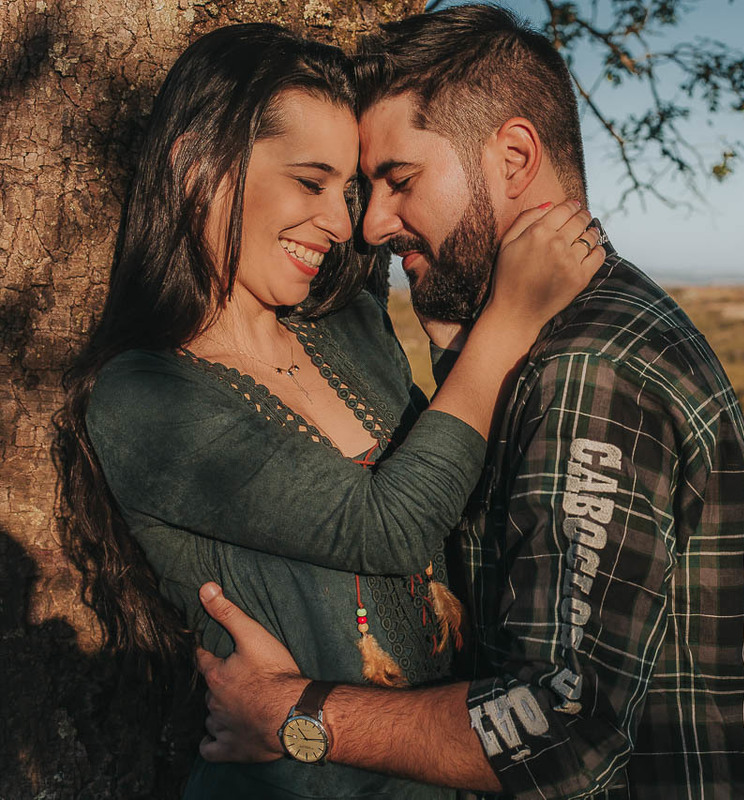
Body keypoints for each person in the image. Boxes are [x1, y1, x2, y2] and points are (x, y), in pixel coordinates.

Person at [197, 5, 744, 798]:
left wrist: (292, 715)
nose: (370, 226)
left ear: (513, 157)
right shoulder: (549, 340)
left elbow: (560, 731)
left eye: (399, 180)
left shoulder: (588, 369)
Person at [55, 22, 602, 800]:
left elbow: (461, 492)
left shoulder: (346, 323)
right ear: (195, 168)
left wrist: (453, 352)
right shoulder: (144, 398)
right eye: (309, 183)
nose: (344, 225)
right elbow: (387, 526)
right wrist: (506, 328)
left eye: (346, 192)